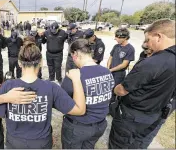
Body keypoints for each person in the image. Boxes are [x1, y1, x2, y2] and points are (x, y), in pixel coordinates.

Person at [0, 41, 86, 149]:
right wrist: (76, 80)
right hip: (41, 143)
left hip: (15, 143)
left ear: (20, 64)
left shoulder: (8, 86)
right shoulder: (51, 87)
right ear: (41, 62)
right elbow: (80, 110)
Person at [109, 19, 175, 149]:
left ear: (158, 37)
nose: (147, 45)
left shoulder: (153, 63)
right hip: (156, 115)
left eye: (148, 40)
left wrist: (115, 88)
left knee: (119, 145)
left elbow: (122, 90)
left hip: (132, 117)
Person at [61, 39, 114, 149]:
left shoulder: (74, 75)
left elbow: (63, 103)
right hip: (99, 125)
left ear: (75, 54)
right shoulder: (107, 72)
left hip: (78, 127)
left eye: (72, 56)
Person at [107, 28, 135, 115]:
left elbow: (124, 64)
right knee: (107, 90)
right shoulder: (116, 46)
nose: (115, 39)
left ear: (125, 37)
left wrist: (111, 69)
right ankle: (106, 108)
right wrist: (107, 68)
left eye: (118, 37)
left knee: (114, 92)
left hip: (119, 74)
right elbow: (110, 57)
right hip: (110, 72)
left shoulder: (130, 49)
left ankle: (112, 110)